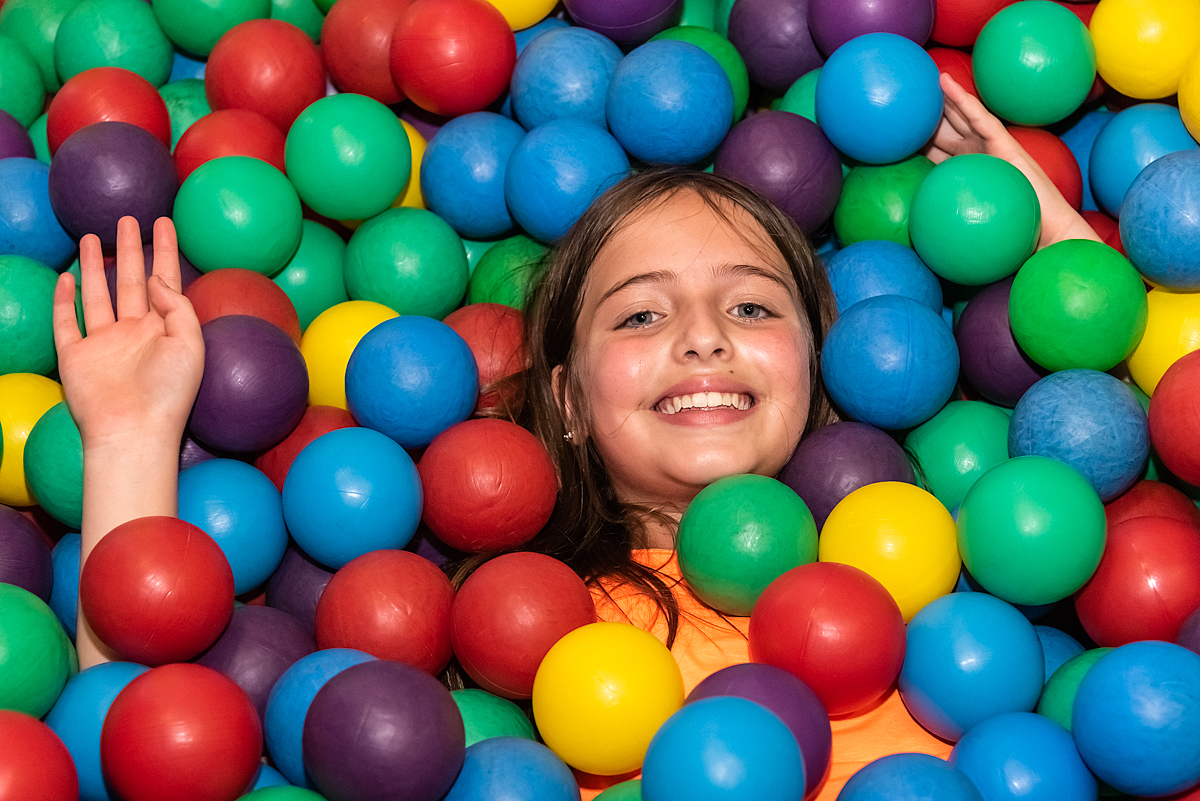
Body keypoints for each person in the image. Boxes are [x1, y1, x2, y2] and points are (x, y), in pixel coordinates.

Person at [54, 74, 1099, 793]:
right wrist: (131, 438)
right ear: (563, 401)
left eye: (752, 309)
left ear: (822, 372)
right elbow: (136, 729)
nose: (702, 341)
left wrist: (1067, 261)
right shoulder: (517, 632)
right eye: (640, 315)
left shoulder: (947, 560)